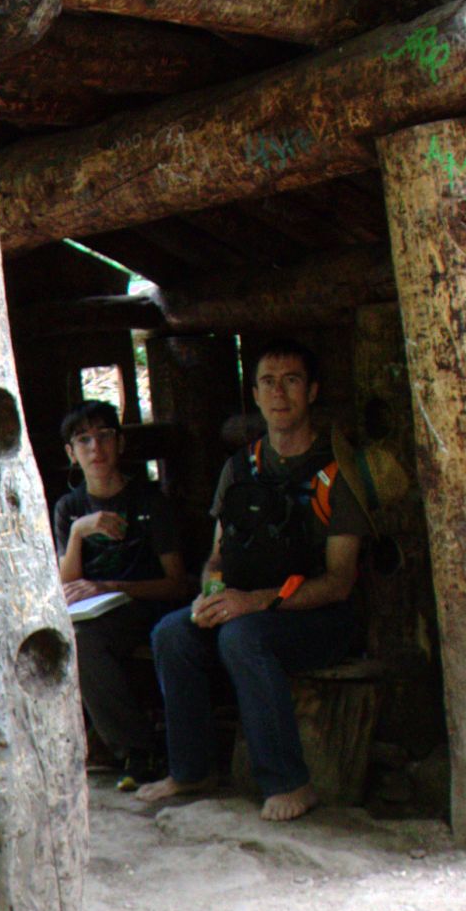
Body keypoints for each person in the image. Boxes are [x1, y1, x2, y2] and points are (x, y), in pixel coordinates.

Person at [137, 338, 369, 822]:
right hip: (248, 607)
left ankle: (290, 782)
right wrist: (213, 596)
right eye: (268, 382)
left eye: (291, 381)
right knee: (173, 633)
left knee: (243, 638)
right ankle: (191, 769)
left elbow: (339, 582)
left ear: (312, 392)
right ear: (256, 396)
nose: (279, 393)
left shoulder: (334, 473)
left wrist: (254, 603)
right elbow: (218, 556)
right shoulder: (239, 468)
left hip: (321, 617)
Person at [50, 400, 190, 787]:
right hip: (97, 616)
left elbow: (177, 582)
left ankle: (139, 751)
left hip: (147, 606)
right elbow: (68, 586)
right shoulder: (69, 508)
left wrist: (112, 586)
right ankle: (134, 749)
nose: (95, 448)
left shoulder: (149, 501)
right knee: (79, 639)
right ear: (71, 454)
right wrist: (79, 531)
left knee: (92, 641)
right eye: (83, 440)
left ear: (121, 443)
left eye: (104, 436)